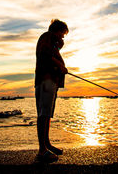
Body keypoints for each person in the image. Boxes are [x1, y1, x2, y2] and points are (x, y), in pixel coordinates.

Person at [35, 19, 68, 163]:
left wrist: (59, 48)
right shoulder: (47, 37)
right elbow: (45, 54)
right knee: (44, 113)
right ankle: (42, 150)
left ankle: (46, 145)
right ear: (57, 30)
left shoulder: (52, 42)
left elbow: (50, 53)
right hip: (46, 79)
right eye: (62, 33)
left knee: (46, 114)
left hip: (50, 80)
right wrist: (60, 65)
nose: (63, 37)